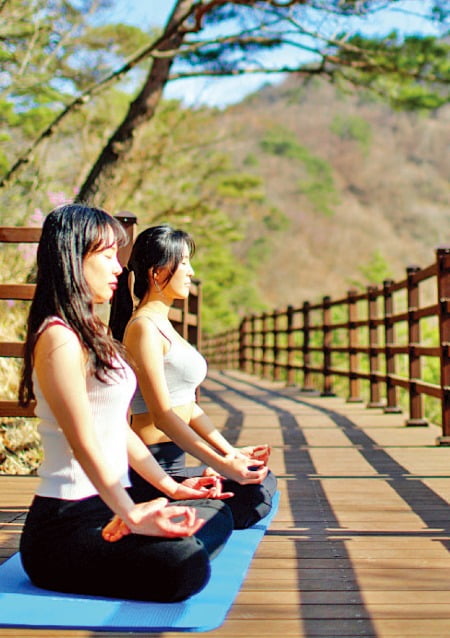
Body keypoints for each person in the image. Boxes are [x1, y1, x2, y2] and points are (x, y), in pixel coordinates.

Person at [18, 204, 234, 603]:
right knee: (186, 562)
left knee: (216, 514)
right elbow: (85, 440)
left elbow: (115, 427)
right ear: (72, 257)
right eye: (105, 255)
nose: (118, 267)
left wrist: (173, 487)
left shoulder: (93, 333)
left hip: (108, 507)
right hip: (65, 525)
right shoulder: (58, 339)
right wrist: (133, 515)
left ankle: (141, 529)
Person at [110, 224, 277, 530]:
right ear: (157, 273)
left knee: (260, 480)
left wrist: (230, 453)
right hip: (152, 469)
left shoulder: (162, 323)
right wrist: (220, 465)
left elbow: (188, 405)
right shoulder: (143, 328)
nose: (191, 271)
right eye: (184, 262)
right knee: (251, 495)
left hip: (176, 463)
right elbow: (163, 416)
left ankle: (201, 499)